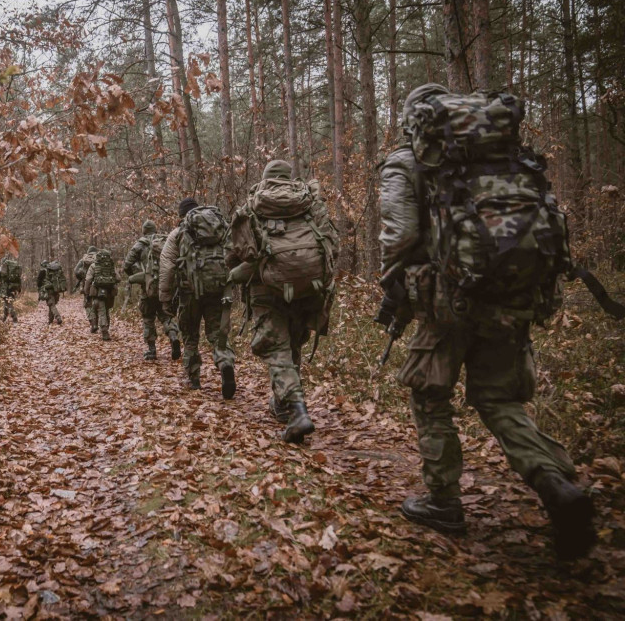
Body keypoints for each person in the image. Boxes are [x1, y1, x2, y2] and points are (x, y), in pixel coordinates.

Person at [378, 83, 595, 559]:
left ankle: (443, 501)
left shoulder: (408, 162)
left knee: (430, 395)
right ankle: (556, 484)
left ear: (413, 121)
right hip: (513, 295)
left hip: (445, 302)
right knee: (499, 399)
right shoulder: (510, 158)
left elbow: (399, 233)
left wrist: (393, 282)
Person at [228, 159, 338, 443]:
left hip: (267, 290)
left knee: (277, 350)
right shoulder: (308, 203)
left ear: (265, 178)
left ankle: (297, 411)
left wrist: (235, 270)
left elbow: (238, 251)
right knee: (292, 344)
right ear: (290, 178)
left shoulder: (254, 204)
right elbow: (331, 245)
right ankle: (283, 404)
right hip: (308, 287)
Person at [159, 197, 236, 398]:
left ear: (181, 214)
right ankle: (225, 362)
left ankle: (194, 379)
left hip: (189, 293)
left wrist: (165, 298)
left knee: (191, 336)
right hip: (218, 291)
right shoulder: (220, 228)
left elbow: (167, 268)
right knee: (217, 334)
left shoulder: (178, 233)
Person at [123, 220, 181, 361]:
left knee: (148, 317)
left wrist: (139, 275)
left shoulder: (140, 244)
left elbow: (127, 264)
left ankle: (152, 350)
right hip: (166, 286)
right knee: (165, 315)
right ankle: (173, 336)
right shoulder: (166, 240)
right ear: (155, 229)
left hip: (148, 287)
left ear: (144, 231)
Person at [83, 248, 118, 340]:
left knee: (101, 310)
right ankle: (105, 328)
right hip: (110, 292)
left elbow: (88, 280)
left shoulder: (93, 266)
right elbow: (118, 278)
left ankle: (104, 331)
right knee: (106, 311)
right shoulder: (111, 266)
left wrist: (86, 292)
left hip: (97, 292)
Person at [74, 246, 99, 333]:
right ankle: (100, 323)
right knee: (99, 304)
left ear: (88, 252)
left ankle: (93, 323)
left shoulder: (83, 260)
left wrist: (82, 277)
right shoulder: (100, 258)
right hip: (100, 284)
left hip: (87, 285)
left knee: (88, 304)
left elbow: (76, 271)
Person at [0, 256, 22, 323]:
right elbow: (19, 279)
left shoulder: (1, 268)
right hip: (13, 288)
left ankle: (14, 318)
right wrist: (19, 289)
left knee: (8, 303)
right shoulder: (13, 269)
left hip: (5, 288)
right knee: (7, 302)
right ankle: (4, 318)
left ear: (2, 262)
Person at [37, 260, 66, 325]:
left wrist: (40, 288)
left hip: (48, 290)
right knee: (51, 305)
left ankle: (58, 318)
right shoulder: (54, 270)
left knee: (51, 305)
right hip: (56, 289)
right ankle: (50, 320)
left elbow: (38, 282)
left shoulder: (43, 271)